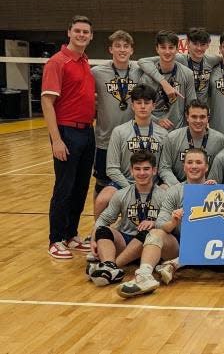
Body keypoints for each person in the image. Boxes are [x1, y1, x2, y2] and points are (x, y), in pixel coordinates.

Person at [117, 148, 209, 297]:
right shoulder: (175, 191)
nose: (194, 166)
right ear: (184, 166)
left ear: (206, 166)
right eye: (189, 162)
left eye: (198, 162)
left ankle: (173, 264)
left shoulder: (218, 188)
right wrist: (173, 221)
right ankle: (144, 276)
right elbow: (160, 224)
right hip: (180, 247)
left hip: (212, 249)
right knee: (155, 233)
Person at [42, 15, 96, 259]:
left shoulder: (84, 61)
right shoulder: (57, 62)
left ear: (91, 36)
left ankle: (71, 234)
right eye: (78, 31)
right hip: (67, 131)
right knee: (64, 188)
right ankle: (55, 239)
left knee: (80, 187)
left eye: (86, 32)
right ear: (69, 32)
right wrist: (56, 139)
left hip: (87, 131)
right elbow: (47, 101)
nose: (82, 35)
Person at [87, 151, 166, 286]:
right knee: (103, 230)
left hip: (147, 246)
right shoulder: (121, 194)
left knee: (148, 233)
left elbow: (170, 225)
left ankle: (111, 267)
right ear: (131, 171)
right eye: (137, 169)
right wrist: (94, 238)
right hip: (125, 241)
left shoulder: (164, 196)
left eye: (146, 169)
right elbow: (103, 219)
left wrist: (154, 222)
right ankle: (109, 265)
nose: (142, 173)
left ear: (154, 171)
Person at [93, 84, 168, 220]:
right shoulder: (119, 132)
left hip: (153, 183)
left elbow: (163, 167)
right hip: (125, 182)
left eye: (147, 103)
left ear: (154, 106)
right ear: (132, 106)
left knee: (170, 194)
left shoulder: (163, 134)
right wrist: (130, 188)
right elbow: (112, 168)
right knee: (101, 200)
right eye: (138, 103)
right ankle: (96, 234)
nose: (143, 106)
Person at [91, 30, 144, 196]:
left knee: (132, 184)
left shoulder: (140, 70)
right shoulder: (96, 72)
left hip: (132, 140)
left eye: (126, 46)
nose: (122, 50)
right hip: (105, 140)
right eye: (118, 46)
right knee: (102, 185)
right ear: (110, 49)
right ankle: (99, 222)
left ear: (131, 50)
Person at [159, 100, 224, 186]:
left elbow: (223, 169)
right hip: (178, 185)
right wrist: (178, 186)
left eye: (202, 117)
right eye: (194, 117)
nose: (198, 121)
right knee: (163, 188)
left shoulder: (220, 140)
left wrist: (209, 185)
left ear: (208, 118)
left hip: (207, 187)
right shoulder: (172, 138)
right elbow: (164, 167)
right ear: (187, 117)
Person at [140, 30, 197, 131]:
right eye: (163, 47)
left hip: (178, 130)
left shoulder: (187, 74)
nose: (167, 51)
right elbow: (140, 108)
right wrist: (157, 121)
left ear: (177, 49)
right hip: (153, 130)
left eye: (171, 47)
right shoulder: (147, 77)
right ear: (157, 49)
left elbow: (191, 106)